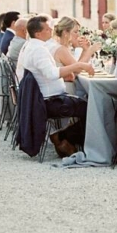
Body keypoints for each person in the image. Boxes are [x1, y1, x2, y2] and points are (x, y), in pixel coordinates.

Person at [16, 16, 92, 157]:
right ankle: (65, 139)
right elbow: (51, 74)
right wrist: (79, 65)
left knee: (85, 104)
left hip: (44, 97)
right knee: (91, 108)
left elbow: (46, 73)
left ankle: (63, 139)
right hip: (50, 101)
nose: (51, 29)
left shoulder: (32, 45)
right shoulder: (38, 50)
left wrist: (66, 73)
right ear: (38, 33)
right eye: (47, 28)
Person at [50, 16, 94, 83]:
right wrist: (89, 51)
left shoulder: (62, 47)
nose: (78, 34)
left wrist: (85, 50)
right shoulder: (61, 49)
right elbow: (78, 69)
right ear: (65, 33)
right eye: (75, 32)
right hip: (65, 89)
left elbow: (76, 66)